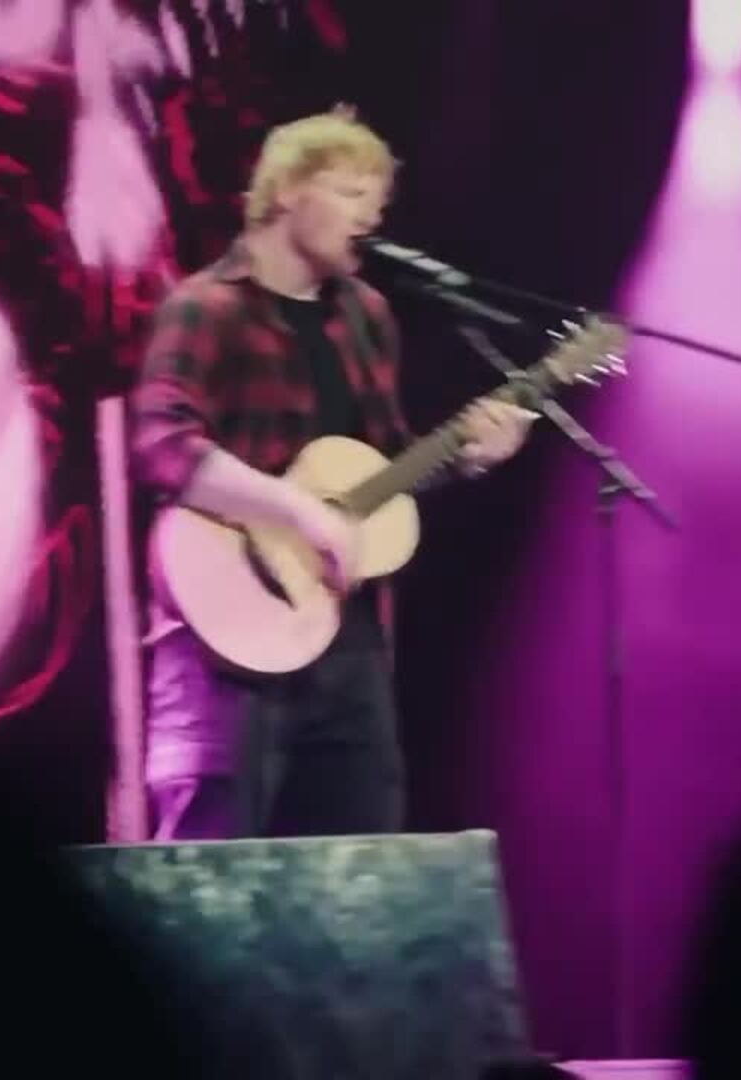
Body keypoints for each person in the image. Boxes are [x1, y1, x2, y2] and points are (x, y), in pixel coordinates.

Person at [129, 108, 536, 841]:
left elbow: (382, 469)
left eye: (375, 204)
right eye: (351, 194)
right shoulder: (206, 306)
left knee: (360, 864)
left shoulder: (368, 316)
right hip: (226, 635)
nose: (369, 219)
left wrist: (468, 456)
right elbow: (161, 443)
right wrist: (293, 510)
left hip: (345, 642)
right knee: (211, 866)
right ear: (287, 190)